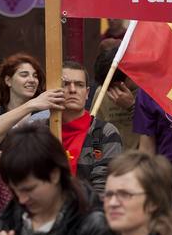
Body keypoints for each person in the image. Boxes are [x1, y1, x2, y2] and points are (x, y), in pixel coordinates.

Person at [0, 54, 57, 223]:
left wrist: (33, 106)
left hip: (34, 194)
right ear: (8, 81)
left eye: (35, 76)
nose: (32, 80)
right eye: (24, 74)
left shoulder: (47, 116)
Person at [30, 61, 123, 197]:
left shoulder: (103, 132)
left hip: (88, 211)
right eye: (65, 84)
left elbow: (104, 185)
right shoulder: (38, 130)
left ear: (87, 93)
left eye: (79, 85)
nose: (72, 90)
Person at [93, 45, 139, 150]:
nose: (113, 92)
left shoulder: (148, 93)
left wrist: (133, 107)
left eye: (115, 86)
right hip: (110, 160)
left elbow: (157, 131)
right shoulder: (102, 92)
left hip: (140, 160)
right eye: (107, 87)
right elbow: (96, 133)